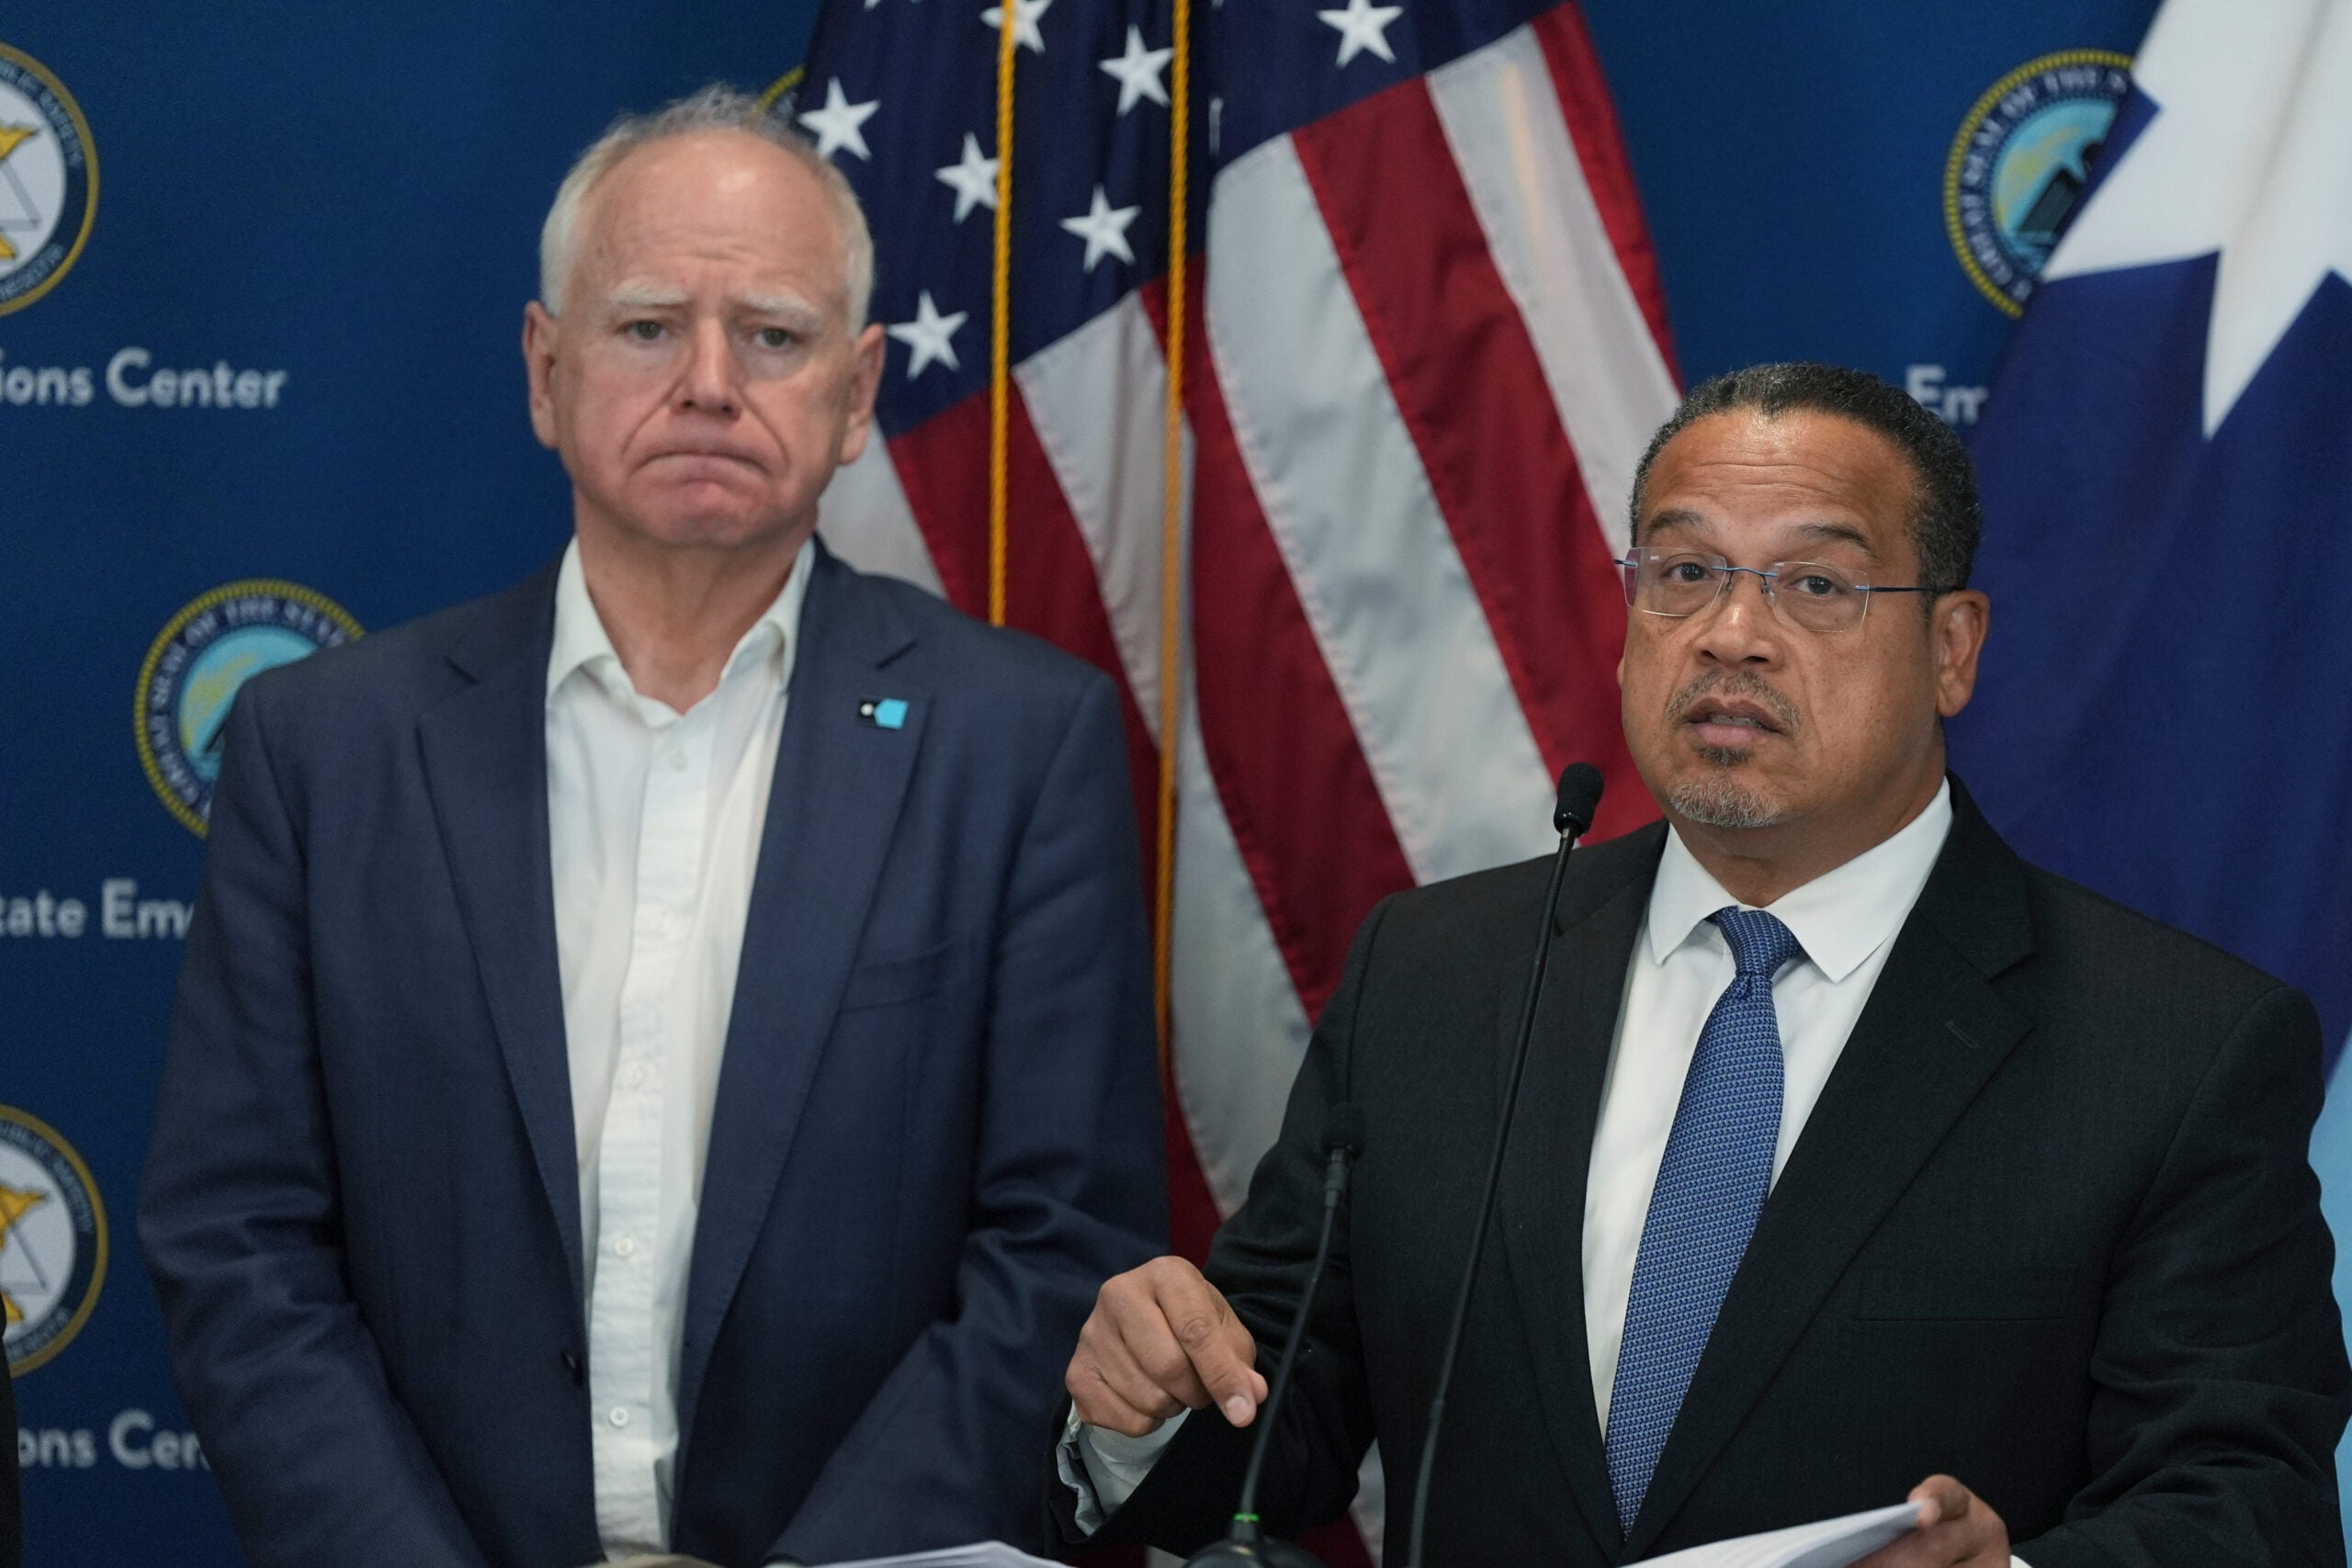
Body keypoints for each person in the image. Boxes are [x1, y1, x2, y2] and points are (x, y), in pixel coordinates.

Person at [1054, 364, 2349, 1566]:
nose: (1732, 633)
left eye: (1818, 585)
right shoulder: (1438, 976)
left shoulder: (2177, 1048)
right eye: (1683, 573)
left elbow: (2251, 1502)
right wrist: (1150, 1403)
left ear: (1953, 649)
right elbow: (1278, 1424)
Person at [140, 86, 1164, 1568]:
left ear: (859, 390)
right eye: (642, 327)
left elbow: (1060, 1245)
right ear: (546, 373)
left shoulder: (1022, 745)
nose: (705, 382)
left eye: (772, 334)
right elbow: (239, 1244)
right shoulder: (330, 746)